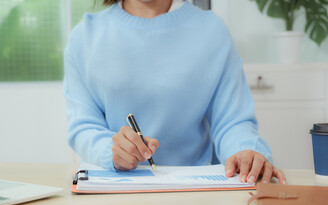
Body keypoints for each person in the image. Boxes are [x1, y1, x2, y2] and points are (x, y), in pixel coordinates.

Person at [63, 0, 286, 184]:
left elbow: (232, 121)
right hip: (112, 189)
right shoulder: (83, 37)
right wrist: (110, 151)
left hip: (194, 191)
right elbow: (83, 126)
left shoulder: (212, 31)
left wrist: (245, 151)